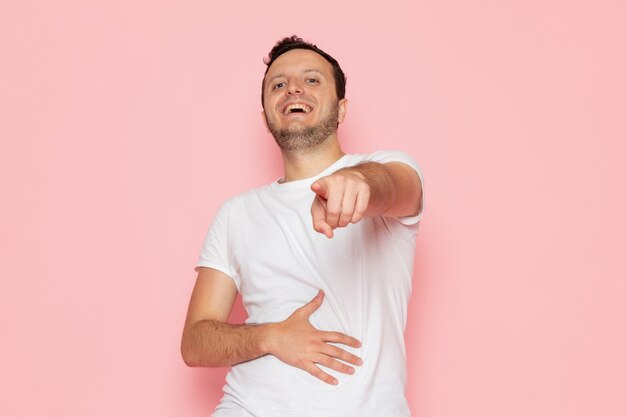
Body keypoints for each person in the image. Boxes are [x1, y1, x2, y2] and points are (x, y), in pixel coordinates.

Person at [181, 35, 424, 417]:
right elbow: (195, 342)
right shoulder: (236, 213)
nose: (293, 88)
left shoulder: (387, 169)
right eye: (278, 84)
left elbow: (394, 186)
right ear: (266, 117)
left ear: (341, 108)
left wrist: (357, 182)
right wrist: (271, 336)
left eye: (312, 80)